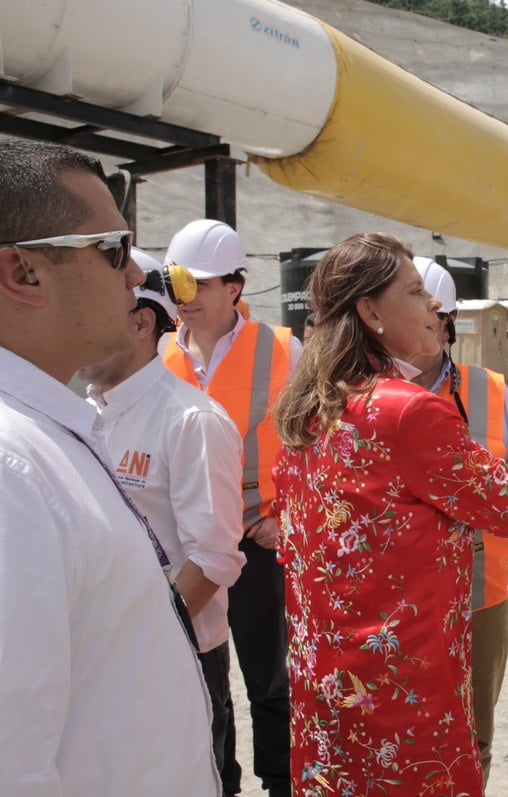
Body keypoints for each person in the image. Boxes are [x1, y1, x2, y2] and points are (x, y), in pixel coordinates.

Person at [272, 232, 508, 796]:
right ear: (371, 312)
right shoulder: (408, 411)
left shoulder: (309, 408)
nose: (434, 303)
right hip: (401, 693)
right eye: (416, 291)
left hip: (327, 690)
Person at [0, 140, 218, 794]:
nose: (134, 276)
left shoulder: (46, 435)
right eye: (115, 250)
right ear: (23, 274)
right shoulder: (11, 470)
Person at [80, 248, 247, 788]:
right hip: (98, 659)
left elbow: (214, 557)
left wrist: (140, 642)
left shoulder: (191, 422)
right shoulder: (85, 416)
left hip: (176, 659)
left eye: (91, 315)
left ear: (142, 322)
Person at [164, 219, 296, 797]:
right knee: (200, 679)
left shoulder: (283, 349)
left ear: (234, 287)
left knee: (270, 679)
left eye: (195, 284)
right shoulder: (160, 347)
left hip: (255, 540)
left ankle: (282, 782)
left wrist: (284, 515)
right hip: (186, 546)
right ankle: (221, 785)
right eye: (175, 284)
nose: (182, 298)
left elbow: (316, 442)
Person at [407, 256, 508, 784]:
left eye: (436, 317)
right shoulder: (355, 396)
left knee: (472, 735)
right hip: (396, 605)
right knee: (403, 735)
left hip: (480, 596)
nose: (426, 328)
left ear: (449, 322)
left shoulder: (490, 390)